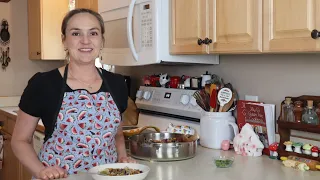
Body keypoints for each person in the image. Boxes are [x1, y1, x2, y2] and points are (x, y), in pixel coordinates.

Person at [11, 8, 136, 180]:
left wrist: (122, 158)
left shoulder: (117, 83)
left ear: (101, 40)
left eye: (93, 33)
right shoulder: (44, 84)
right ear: (64, 40)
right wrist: (41, 171)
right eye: (76, 33)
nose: (86, 41)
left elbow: (118, 135)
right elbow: (20, 140)